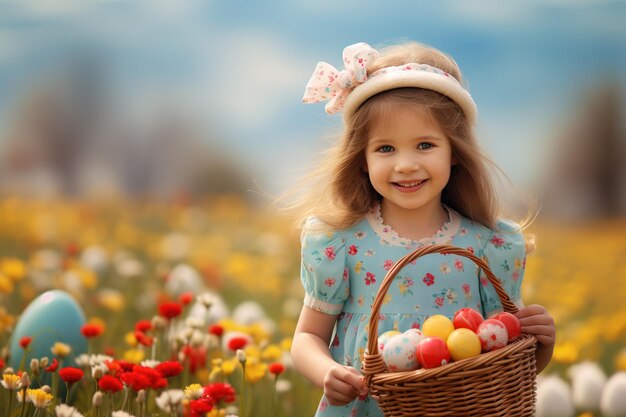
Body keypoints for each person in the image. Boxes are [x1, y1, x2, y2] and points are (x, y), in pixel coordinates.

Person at [289, 41, 555, 417]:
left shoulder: (487, 246)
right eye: (385, 149)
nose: (406, 165)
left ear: (455, 152)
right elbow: (307, 336)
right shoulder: (339, 245)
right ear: (362, 160)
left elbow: (505, 359)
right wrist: (327, 371)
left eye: (425, 145)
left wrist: (540, 343)